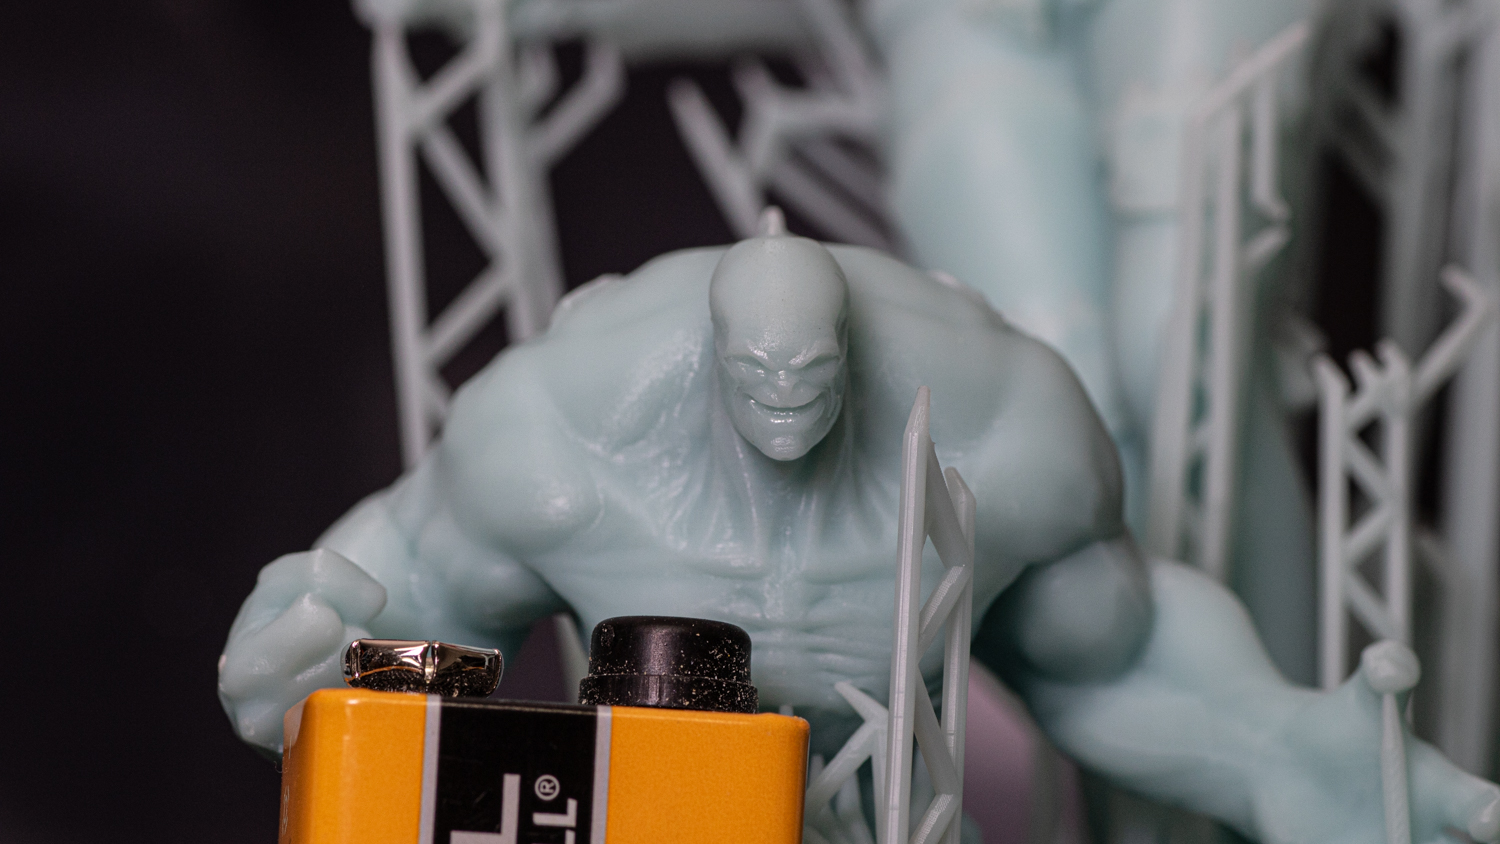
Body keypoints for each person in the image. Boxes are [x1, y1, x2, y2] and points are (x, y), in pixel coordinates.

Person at [220, 222, 1499, 844]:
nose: (787, 401)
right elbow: (398, 604)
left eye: (813, 374)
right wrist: (309, 663)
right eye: (758, 376)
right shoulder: (556, 446)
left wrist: (1277, 750)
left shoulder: (1012, 433)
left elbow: (1113, 651)